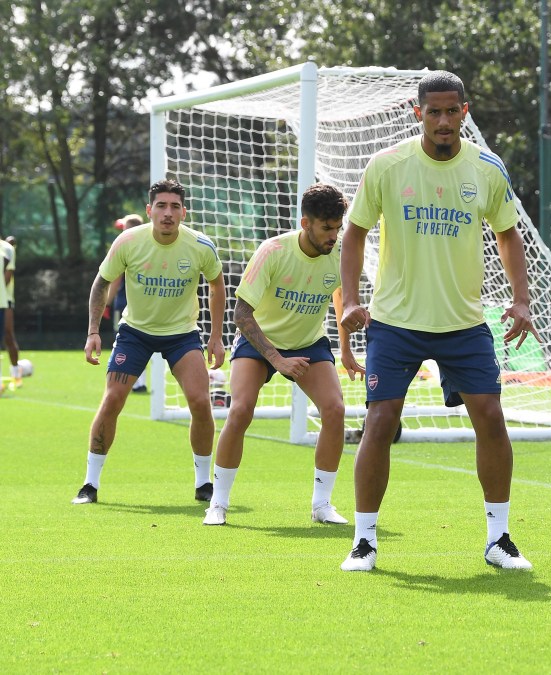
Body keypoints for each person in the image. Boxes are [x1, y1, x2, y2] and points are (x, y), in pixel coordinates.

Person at [338, 70, 541, 572]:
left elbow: (509, 235)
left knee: (491, 420)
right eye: (435, 112)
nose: (444, 120)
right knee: (381, 422)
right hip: (395, 322)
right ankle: (364, 541)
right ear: (418, 114)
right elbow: (354, 233)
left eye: (453, 111)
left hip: (464, 323)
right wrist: (349, 302)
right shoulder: (387, 165)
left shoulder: (487, 169)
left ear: (465, 113)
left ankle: (499, 540)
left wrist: (521, 299)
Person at [202, 183, 364, 526]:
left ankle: (322, 505)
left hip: (308, 342)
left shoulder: (340, 255)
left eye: (338, 228)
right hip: (259, 340)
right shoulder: (273, 251)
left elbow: (341, 298)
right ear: (306, 223)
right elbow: (242, 315)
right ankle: (218, 502)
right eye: (326, 228)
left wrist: (346, 349)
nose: (334, 236)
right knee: (241, 410)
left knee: (335, 410)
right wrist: (276, 360)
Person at [72, 178, 225, 505]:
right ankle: (90, 484)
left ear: (184, 212)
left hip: (182, 335)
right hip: (135, 333)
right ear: (149, 210)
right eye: (161, 206)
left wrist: (215, 336)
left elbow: (216, 286)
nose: (167, 213)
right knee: (112, 400)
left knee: (200, 401)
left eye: (174, 206)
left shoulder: (201, 246)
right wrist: (93, 331)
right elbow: (102, 283)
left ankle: (203, 484)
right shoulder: (128, 241)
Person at [106, 215, 148, 393]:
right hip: (145, 303)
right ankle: (141, 382)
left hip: (124, 304)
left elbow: (115, 280)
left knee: (124, 342)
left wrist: (106, 303)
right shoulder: (148, 247)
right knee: (145, 341)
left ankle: (131, 382)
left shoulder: (126, 249)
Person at [1, 235, 18, 387]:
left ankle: (15, 373)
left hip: (5, 300)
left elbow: (6, 278)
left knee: (8, 334)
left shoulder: (7, 250)